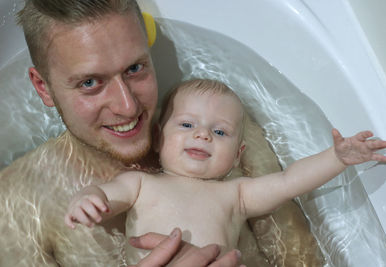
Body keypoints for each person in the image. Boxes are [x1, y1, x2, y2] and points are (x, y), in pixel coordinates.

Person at [0, 1, 242, 266]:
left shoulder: (219, 127)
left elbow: (294, 250)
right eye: (90, 83)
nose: (127, 107)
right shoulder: (16, 206)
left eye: (135, 68)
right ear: (43, 87)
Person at [65, 79, 386, 265]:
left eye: (219, 132)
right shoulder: (139, 183)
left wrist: (337, 158)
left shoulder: (235, 193)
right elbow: (108, 197)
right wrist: (89, 198)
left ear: (238, 155)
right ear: (158, 137)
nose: (203, 134)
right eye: (187, 124)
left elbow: (289, 181)